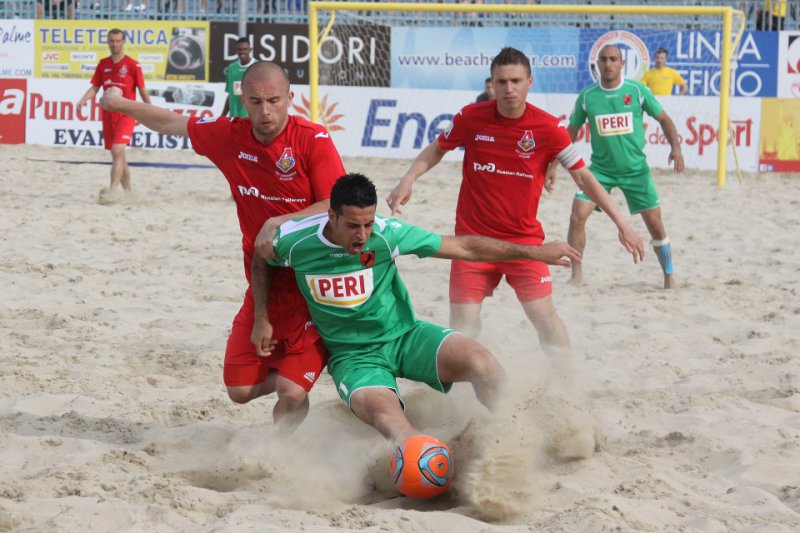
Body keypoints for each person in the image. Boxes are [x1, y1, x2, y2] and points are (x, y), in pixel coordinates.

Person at [99, 61, 346, 432]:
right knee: (240, 390)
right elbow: (170, 122)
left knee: (291, 394)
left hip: (313, 285)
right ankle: (295, 372)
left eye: (275, 101)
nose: (266, 112)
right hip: (263, 282)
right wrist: (119, 104)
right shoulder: (230, 135)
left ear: (290, 98)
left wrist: (280, 220)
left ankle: (283, 442)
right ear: (242, 100)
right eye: (256, 102)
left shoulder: (313, 139)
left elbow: (334, 204)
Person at [251, 173, 582, 441]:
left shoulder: (386, 234)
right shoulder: (295, 241)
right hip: (355, 358)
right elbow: (260, 257)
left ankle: (521, 435)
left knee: (483, 364)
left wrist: (535, 252)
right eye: (353, 226)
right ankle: (425, 466)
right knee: (392, 421)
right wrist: (261, 317)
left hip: (406, 337)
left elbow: (464, 246)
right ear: (331, 216)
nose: (363, 234)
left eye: (368, 224)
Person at [387, 47, 644, 361]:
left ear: (529, 82)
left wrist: (623, 223)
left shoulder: (549, 128)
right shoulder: (471, 117)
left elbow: (585, 179)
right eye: (502, 81)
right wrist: (409, 178)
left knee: (544, 316)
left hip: (525, 242)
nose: (509, 88)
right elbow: (437, 149)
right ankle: (465, 391)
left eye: (516, 81)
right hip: (472, 242)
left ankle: (566, 381)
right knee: (463, 327)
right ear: (492, 84)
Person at [564, 44, 684, 289]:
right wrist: (554, 164)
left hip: (635, 170)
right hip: (600, 171)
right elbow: (571, 132)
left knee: (655, 223)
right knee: (577, 216)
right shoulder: (587, 96)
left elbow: (664, 119)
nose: (608, 64)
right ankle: (576, 276)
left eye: (613, 59)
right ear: (597, 64)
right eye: (603, 59)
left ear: (621, 63)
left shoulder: (637, 90)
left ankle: (669, 275)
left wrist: (676, 148)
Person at [77, 28, 150, 200]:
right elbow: (95, 86)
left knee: (118, 150)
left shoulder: (133, 65)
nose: (115, 44)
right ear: (108, 42)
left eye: (118, 41)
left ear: (123, 42)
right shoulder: (103, 64)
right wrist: (83, 99)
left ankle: (112, 192)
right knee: (119, 155)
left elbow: (142, 90)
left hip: (126, 114)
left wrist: (149, 112)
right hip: (109, 115)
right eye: (112, 41)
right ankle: (129, 192)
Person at [221, 37, 258, 118]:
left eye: (245, 49)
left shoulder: (258, 67)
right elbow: (231, 94)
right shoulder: (231, 68)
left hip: (252, 119)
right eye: (239, 49)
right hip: (234, 117)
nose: (242, 52)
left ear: (250, 50)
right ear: (236, 50)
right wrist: (222, 116)